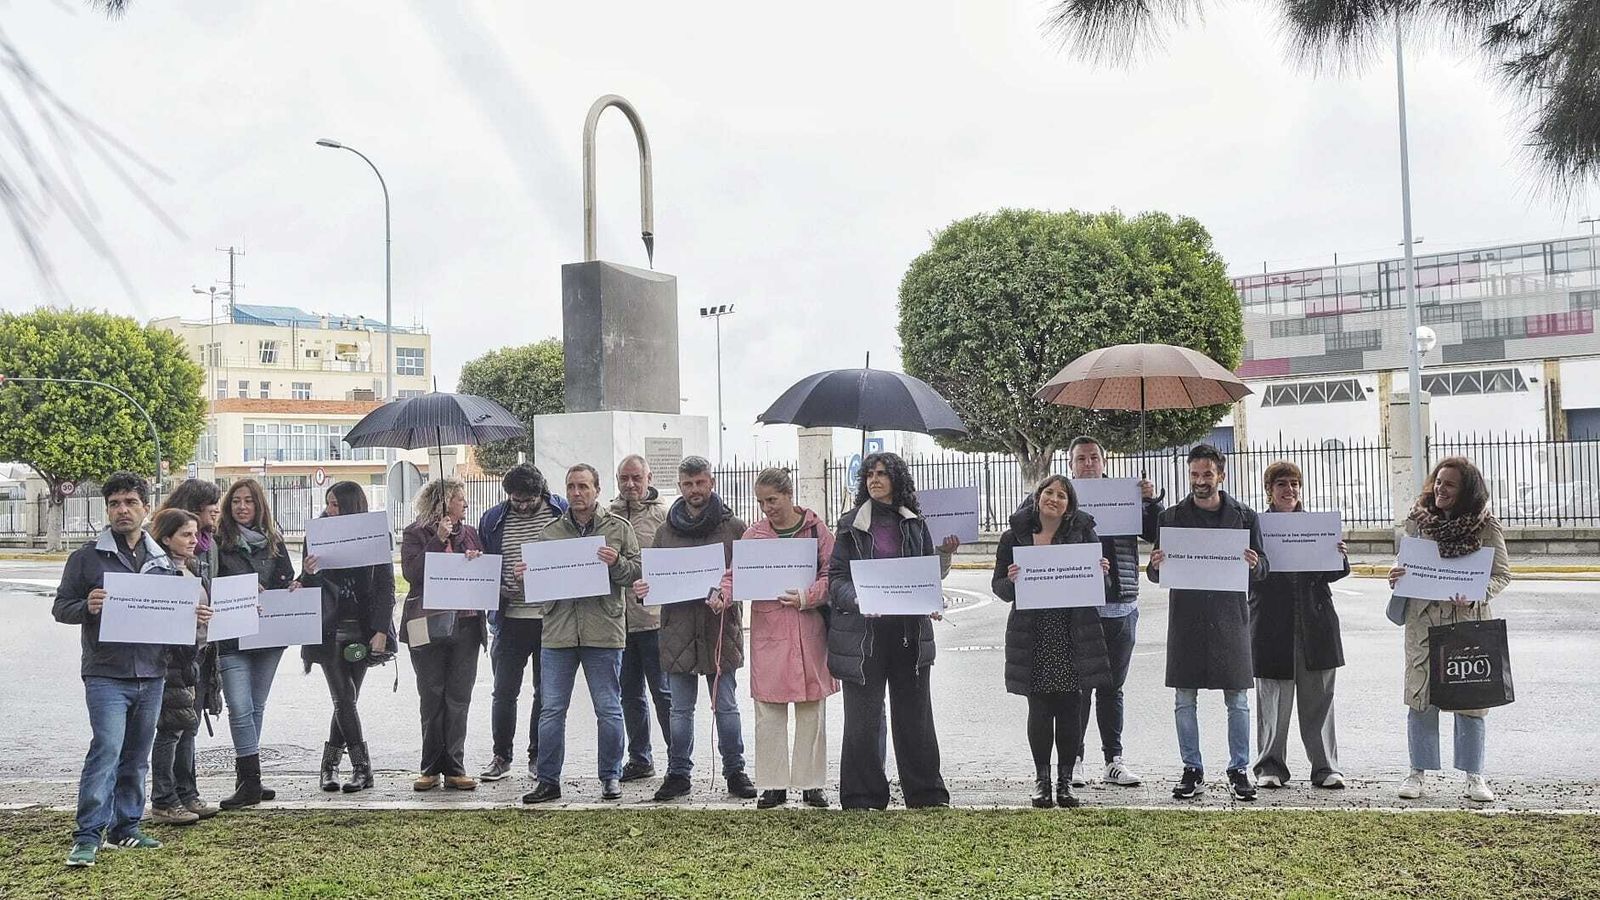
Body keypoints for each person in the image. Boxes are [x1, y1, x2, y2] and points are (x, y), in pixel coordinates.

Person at [54, 473, 211, 866]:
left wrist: (194, 618)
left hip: (152, 673)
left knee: (138, 756)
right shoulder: (87, 557)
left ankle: (126, 827)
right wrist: (85, 607)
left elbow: (175, 622)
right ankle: (88, 834)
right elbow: (61, 607)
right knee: (106, 750)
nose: (122, 510)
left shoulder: (162, 560)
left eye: (129, 502)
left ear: (145, 506)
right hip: (106, 672)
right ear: (107, 509)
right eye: (114, 504)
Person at [827, 452, 959, 810]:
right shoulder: (850, 525)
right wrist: (859, 600)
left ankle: (927, 794)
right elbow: (836, 580)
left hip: (909, 635)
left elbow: (929, 575)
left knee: (915, 716)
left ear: (897, 479)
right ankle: (862, 797)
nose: (874, 479)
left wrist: (940, 570)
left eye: (883, 473)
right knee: (863, 720)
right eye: (869, 474)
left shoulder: (915, 522)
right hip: (863, 637)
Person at [1386, 456, 1512, 803]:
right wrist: (1395, 573)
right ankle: (1417, 773)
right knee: (1421, 695)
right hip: (1423, 619)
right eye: (1438, 481)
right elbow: (1405, 562)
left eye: (1450, 484)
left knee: (1471, 697)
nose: (1441, 488)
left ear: (1466, 490)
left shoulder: (1486, 526)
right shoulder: (1418, 521)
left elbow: (1502, 573)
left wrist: (1475, 595)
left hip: (1467, 619)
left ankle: (1474, 776)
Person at [1147, 444, 1268, 802]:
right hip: (1186, 617)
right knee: (1184, 698)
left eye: (1207, 474)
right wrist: (1154, 564)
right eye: (1195, 475)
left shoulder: (1245, 517)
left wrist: (1253, 563)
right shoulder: (1170, 518)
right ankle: (1192, 768)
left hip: (1230, 617)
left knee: (1238, 700)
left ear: (1222, 475)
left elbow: (1264, 568)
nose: (1200, 482)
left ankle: (1239, 769)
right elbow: (1155, 575)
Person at [715, 467, 837, 809]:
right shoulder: (754, 535)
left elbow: (833, 572)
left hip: (808, 628)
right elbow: (734, 575)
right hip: (770, 631)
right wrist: (723, 595)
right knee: (769, 710)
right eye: (761, 502)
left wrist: (809, 596)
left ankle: (812, 783)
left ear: (788, 494)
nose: (767, 507)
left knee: (812, 708)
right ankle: (773, 784)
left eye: (772, 500)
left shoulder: (817, 530)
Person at [634, 456, 754, 802]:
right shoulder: (665, 532)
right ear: (680, 487)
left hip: (719, 630)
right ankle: (678, 774)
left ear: (711, 483)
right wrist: (644, 589)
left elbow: (746, 576)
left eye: (700, 483)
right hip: (678, 632)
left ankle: (735, 771)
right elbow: (651, 578)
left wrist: (729, 598)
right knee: (680, 710)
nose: (694, 490)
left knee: (727, 707)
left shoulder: (734, 528)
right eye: (688, 484)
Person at [522, 463, 641, 804]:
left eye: (584, 486)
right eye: (572, 486)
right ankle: (548, 780)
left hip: (603, 629)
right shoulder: (550, 532)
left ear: (597, 490)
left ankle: (610, 777)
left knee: (608, 708)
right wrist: (529, 575)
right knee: (551, 710)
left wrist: (616, 562)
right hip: (558, 631)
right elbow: (540, 586)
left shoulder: (619, 528)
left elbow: (635, 574)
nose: (577, 493)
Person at [992, 475, 1113, 808]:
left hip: (1072, 630)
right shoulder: (1013, 538)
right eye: (1049, 492)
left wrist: (1102, 572)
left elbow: (1104, 586)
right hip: (1033, 632)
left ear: (1069, 504)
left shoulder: (1083, 534)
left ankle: (1065, 781)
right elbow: (999, 588)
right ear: (1037, 497)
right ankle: (1042, 782)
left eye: (1062, 495)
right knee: (1040, 708)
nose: (1054, 499)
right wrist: (1013, 581)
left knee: (1071, 708)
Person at [1066, 435, 1161, 788]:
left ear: (1104, 462)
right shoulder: (1061, 498)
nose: (1088, 463)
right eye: (1081, 459)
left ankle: (1113, 760)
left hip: (1121, 602)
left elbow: (1154, 533)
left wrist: (1149, 502)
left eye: (1093, 457)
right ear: (1071, 464)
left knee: (1112, 687)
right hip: (1078, 603)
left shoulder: (1126, 495)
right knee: (1078, 687)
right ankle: (1073, 759)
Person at [1250, 461, 1349, 790]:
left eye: (1294, 484)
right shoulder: (1257, 526)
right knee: (1272, 701)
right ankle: (1269, 767)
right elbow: (1250, 576)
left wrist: (1339, 556)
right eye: (1281, 484)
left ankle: (1325, 768)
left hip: (1315, 622)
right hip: (1270, 624)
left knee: (1319, 697)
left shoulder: (1316, 525)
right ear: (1269, 490)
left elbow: (1333, 574)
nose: (1289, 490)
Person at [300, 481, 396, 794]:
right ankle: (362, 768)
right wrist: (309, 573)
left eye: (337, 505)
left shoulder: (374, 535)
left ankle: (328, 767)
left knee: (348, 700)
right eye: (328, 503)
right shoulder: (316, 535)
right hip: (329, 631)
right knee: (342, 697)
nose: (330, 510)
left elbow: (385, 587)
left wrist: (381, 630)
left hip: (361, 632)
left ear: (353, 506)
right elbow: (306, 585)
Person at [477, 464, 565, 782]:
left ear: (541, 493)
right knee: (503, 692)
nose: (523, 506)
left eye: (529, 500)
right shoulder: (492, 519)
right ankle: (501, 756)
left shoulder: (560, 511)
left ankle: (537, 757)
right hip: (510, 617)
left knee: (545, 693)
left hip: (551, 618)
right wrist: (497, 585)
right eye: (516, 500)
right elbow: (486, 564)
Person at [214, 478, 296, 810]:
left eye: (248, 500)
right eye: (236, 501)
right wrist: (243, 589)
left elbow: (286, 579)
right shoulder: (218, 542)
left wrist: (291, 587)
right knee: (239, 707)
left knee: (256, 708)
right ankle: (251, 780)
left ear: (259, 505)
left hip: (268, 636)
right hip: (232, 636)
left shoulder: (273, 541)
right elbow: (210, 583)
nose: (242, 507)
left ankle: (248, 779)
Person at [399, 477, 484, 792]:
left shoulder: (471, 534)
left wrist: (475, 561)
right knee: (431, 695)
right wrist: (436, 540)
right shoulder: (415, 533)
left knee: (459, 696)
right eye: (460, 498)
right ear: (443, 502)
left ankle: (455, 767)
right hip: (426, 624)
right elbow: (411, 573)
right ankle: (430, 766)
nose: (464, 503)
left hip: (466, 624)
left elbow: (482, 573)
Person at [152, 481, 225, 814]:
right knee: (171, 730)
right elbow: (159, 614)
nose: (195, 541)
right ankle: (166, 799)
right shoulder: (160, 571)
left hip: (194, 657)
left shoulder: (191, 567)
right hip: (173, 660)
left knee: (187, 727)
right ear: (167, 538)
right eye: (187, 536)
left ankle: (187, 793)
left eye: (195, 536)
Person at [610, 454, 672, 783]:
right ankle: (640, 758)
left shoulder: (664, 516)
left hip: (654, 620)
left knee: (663, 694)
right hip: (619, 622)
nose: (630, 484)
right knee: (629, 695)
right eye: (624, 478)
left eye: (637, 478)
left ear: (649, 477)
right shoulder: (607, 516)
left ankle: (677, 759)